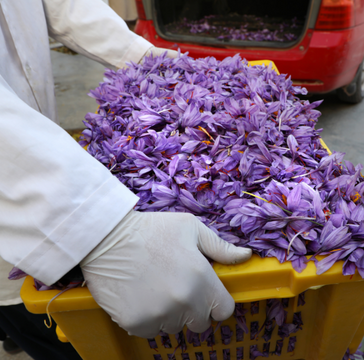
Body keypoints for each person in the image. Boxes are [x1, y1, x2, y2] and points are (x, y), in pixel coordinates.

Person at [0, 1, 252, 358]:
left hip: (39, 153)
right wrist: (101, 229)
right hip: (10, 218)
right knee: (54, 334)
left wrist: (144, 57)